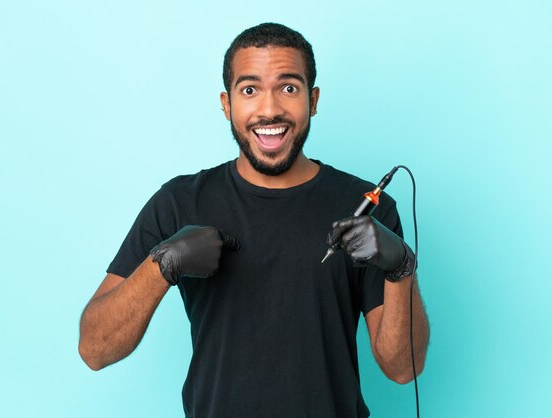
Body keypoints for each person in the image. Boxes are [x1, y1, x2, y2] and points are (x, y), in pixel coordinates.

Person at [78, 22, 430, 418]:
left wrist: (400, 266)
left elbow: (404, 369)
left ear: (313, 100)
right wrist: (163, 265)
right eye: (250, 90)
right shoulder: (178, 202)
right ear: (227, 104)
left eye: (289, 88)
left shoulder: (367, 208)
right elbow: (95, 349)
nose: (269, 109)